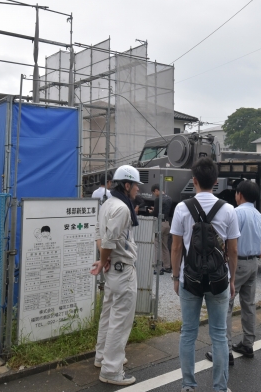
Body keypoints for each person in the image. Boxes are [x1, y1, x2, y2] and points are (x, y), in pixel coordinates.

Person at [171, 158, 239, 392]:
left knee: (188, 331)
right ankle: (220, 388)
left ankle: (189, 385)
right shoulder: (228, 209)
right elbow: (233, 250)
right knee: (219, 335)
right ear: (216, 182)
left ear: (194, 181)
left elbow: (176, 247)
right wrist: (231, 280)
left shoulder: (182, 208)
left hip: (189, 279)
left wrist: (175, 277)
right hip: (219, 279)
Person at [90, 165, 142, 386]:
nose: (138, 190)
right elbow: (110, 240)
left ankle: (102, 357)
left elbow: (99, 235)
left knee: (109, 315)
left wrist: (105, 259)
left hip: (113, 270)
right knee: (120, 321)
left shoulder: (107, 204)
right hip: (122, 271)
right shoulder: (122, 208)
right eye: (136, 186)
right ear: (127, 185)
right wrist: (104, 260)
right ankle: (112, 370)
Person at [206, 180, 261, 365]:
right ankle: (248, 344)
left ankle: (225, 351)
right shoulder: (259, 215)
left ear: (239, 194)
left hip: (237, 264)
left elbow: (228, 243)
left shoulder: (236, 213)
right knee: (249, 304)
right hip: (254, 263)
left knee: (225, 305)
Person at [150, 183, 173, 274]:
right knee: (165, 245)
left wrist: (151, 211)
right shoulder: (169, 199)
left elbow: (155, 213)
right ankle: (167, 266)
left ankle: (157, 267)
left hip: (160, 223)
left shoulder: (158, 199)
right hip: (167, 223)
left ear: (156, 190)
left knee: (156, 244)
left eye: (153, 192)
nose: (154, 194)